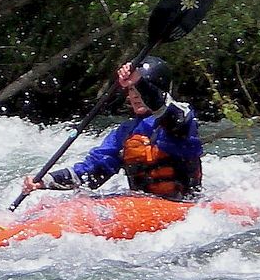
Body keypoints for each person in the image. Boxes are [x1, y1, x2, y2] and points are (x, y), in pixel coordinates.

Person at [20, 56, 203, 200]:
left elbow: (169, 116)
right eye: (131, 90)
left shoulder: (182, 116)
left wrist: (139, 81)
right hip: (142, 204)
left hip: (184, 204)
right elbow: (92, 173)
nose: (135, 95)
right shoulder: (125, 132)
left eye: (139, 89)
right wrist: (45, 181)